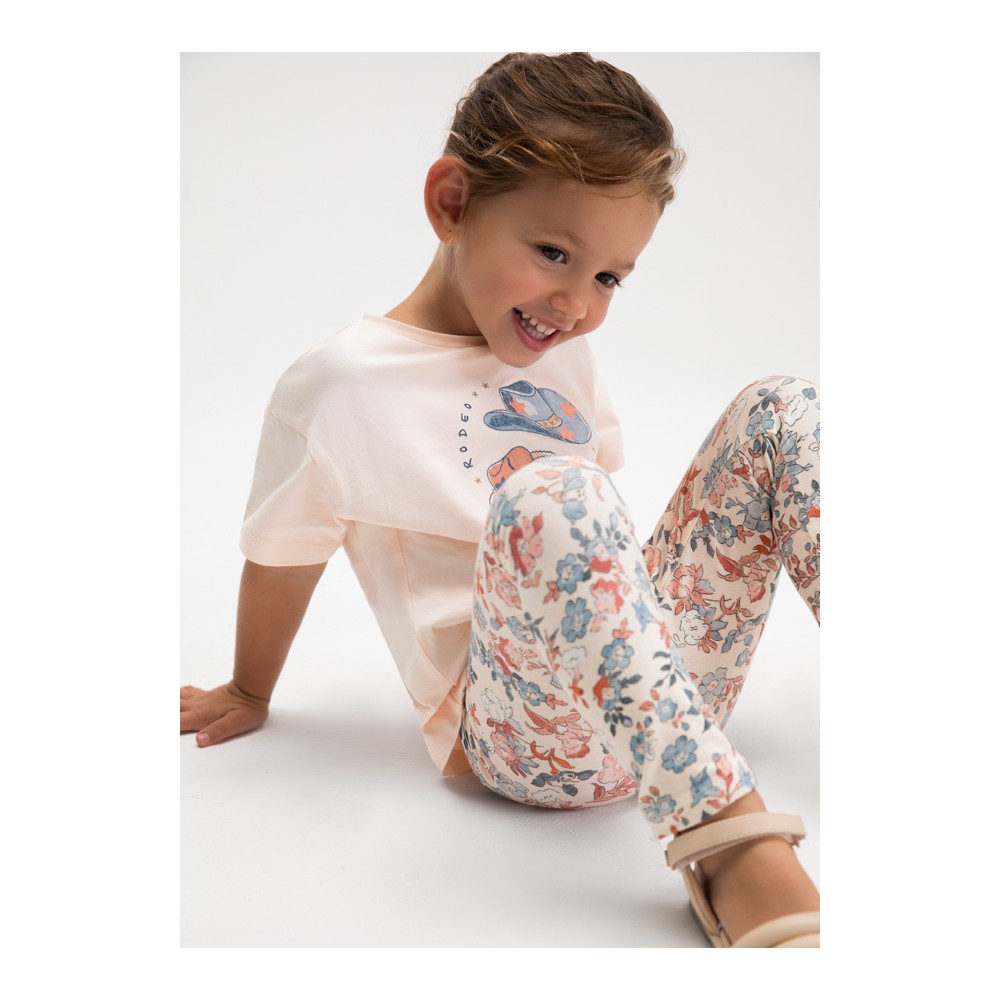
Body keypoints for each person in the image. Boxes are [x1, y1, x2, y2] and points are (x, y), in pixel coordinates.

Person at [180, 52, 820, 948]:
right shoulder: (342, 385)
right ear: (453, 204)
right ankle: (724, 835)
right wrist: (250, 688)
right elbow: (283, 554)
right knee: (553, 487)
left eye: (609, 278)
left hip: (662, 693)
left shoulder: (561, 351)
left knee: (784, 408)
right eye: (554, 253)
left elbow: (606, 544)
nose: (577, 303)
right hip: (522, 740)